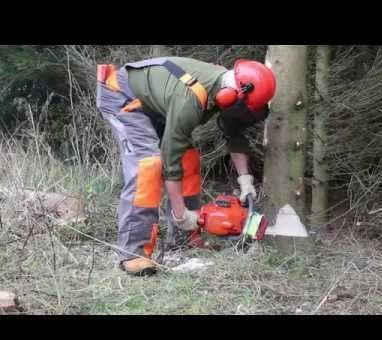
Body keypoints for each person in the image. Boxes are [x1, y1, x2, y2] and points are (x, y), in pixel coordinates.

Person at [96, 56, 276, 276]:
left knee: (188, 158)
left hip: (157, 105)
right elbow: (170, 157)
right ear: (231, 94)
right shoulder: (191, 99)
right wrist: (180, 212)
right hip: (122, 94)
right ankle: (133, 252)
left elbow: (234, 133)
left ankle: (184, 239)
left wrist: (244, 178)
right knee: (148, 164)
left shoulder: (225, 89)